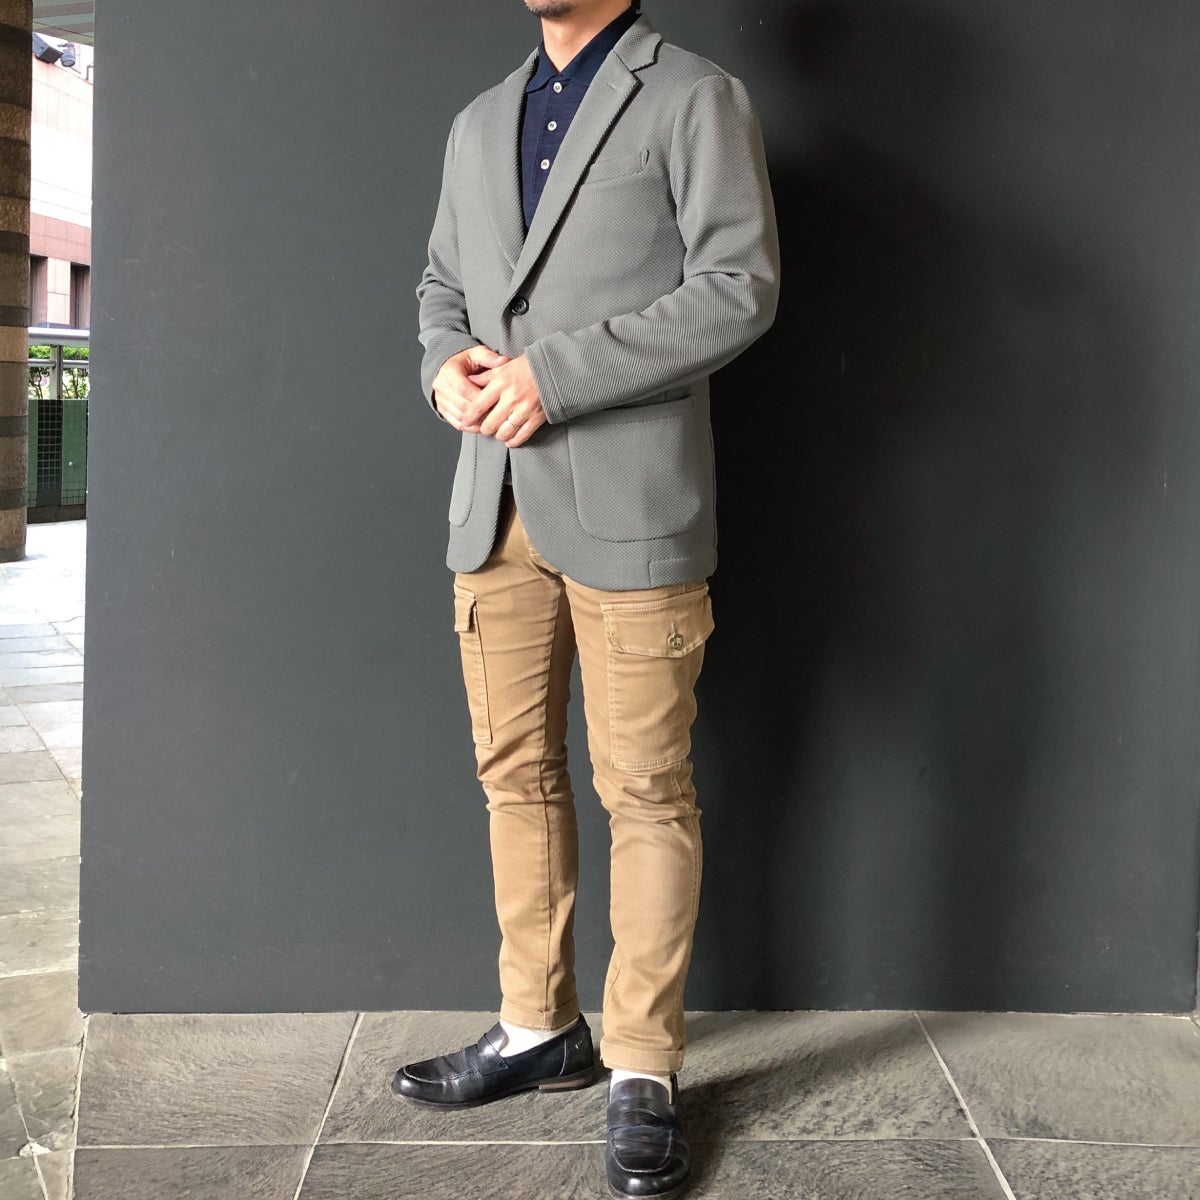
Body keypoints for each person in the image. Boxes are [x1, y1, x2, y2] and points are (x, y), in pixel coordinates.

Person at [393, 1, 779, 1195]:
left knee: (646, 789)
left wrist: (554, 377)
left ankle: (642, 1066)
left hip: (634, 507)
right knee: (514, 773)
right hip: (494, 505)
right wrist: (443, 370)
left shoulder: (695, 95)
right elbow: (441, 286)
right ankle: (537, 1028)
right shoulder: (478, 122)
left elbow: (739, 286)